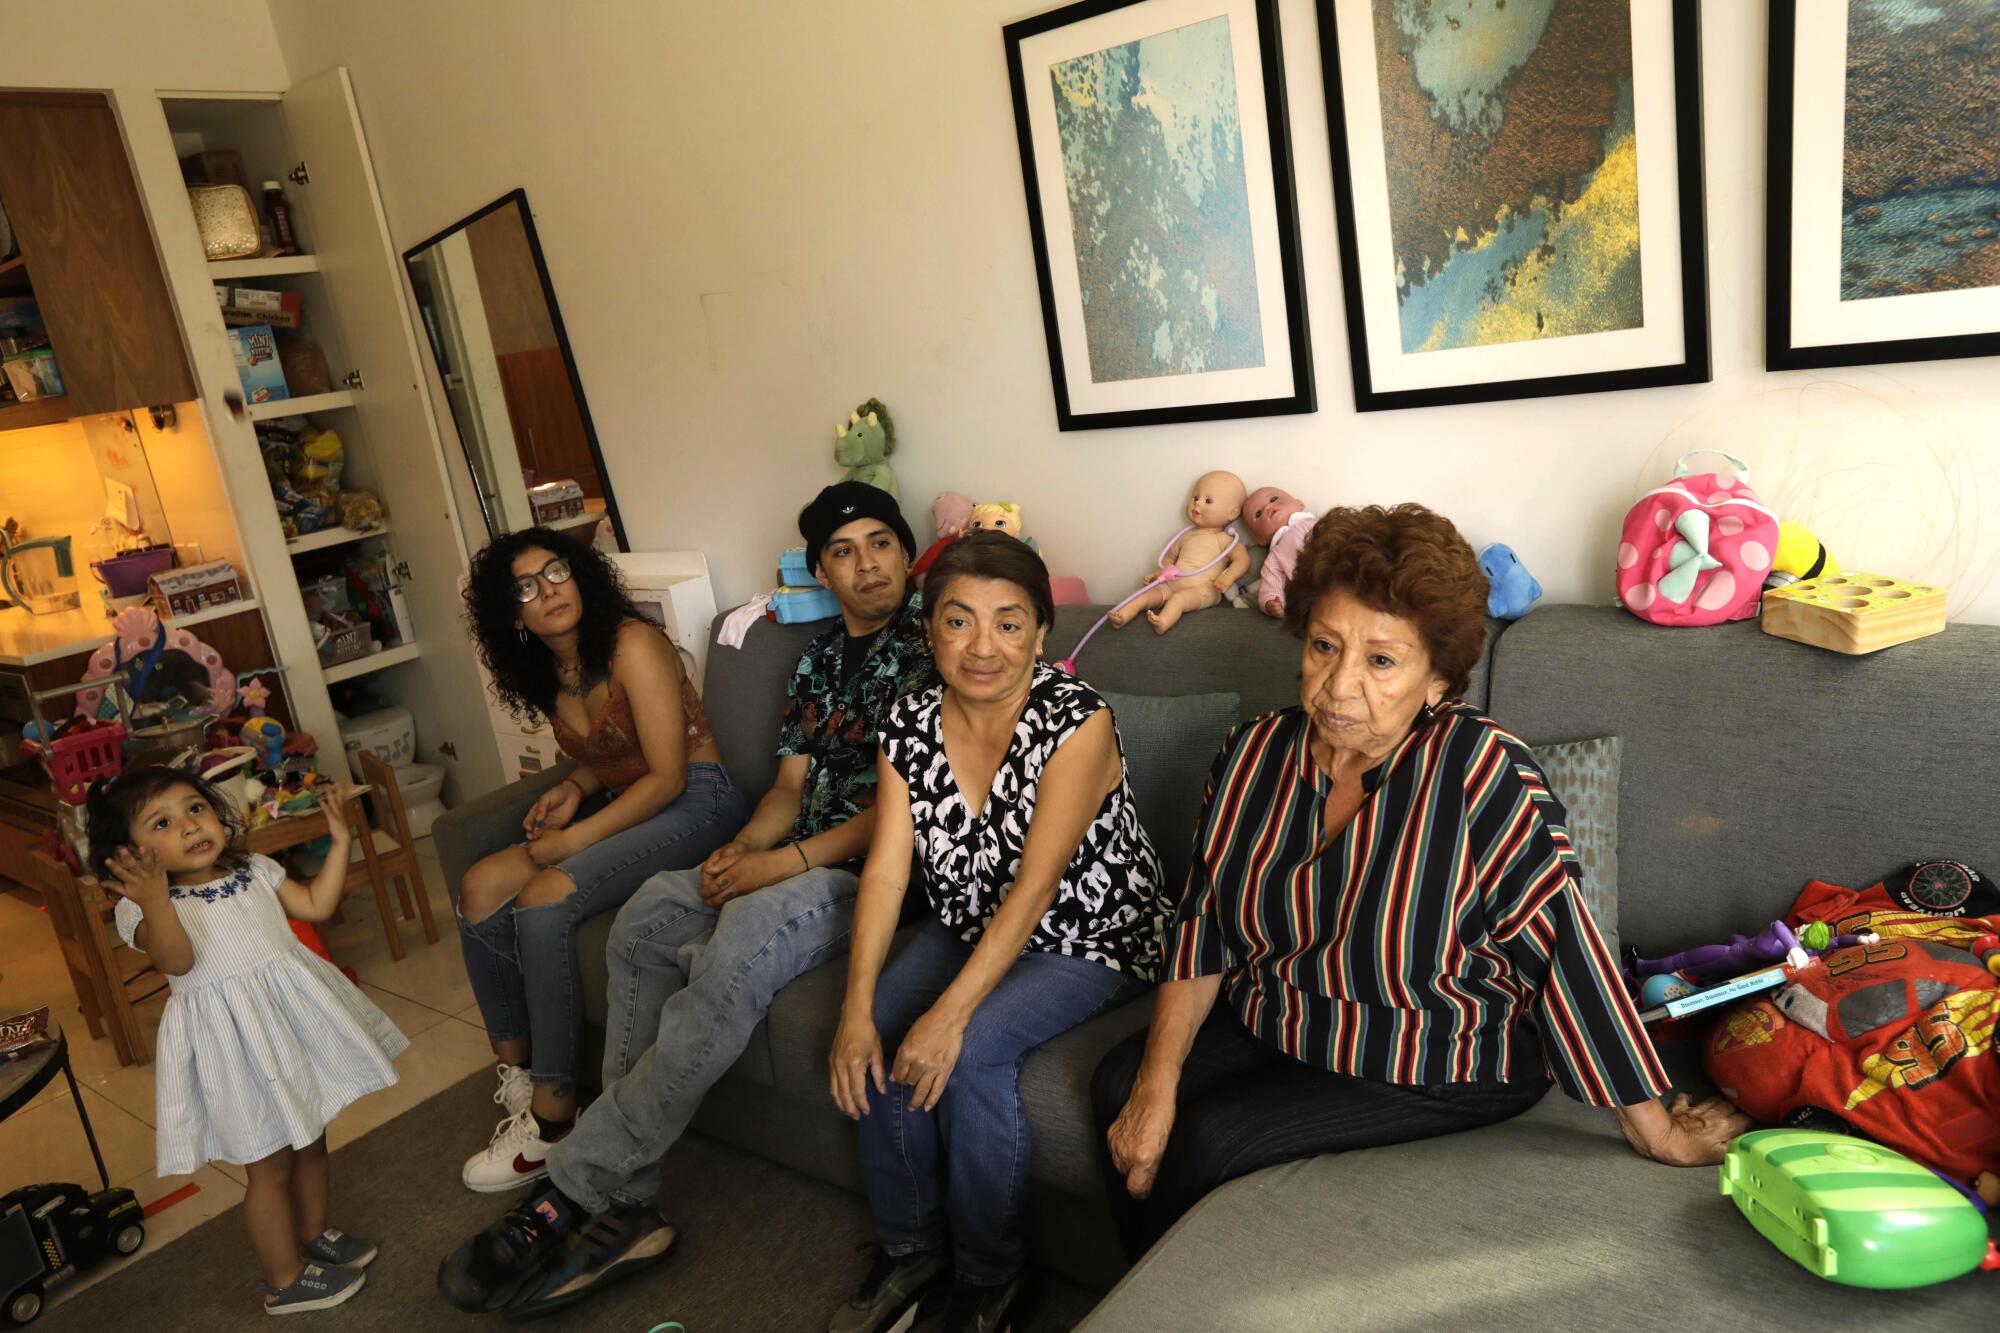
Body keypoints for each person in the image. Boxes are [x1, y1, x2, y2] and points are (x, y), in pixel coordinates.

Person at [1092, 504, 1752, 1260]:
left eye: (1381, 661)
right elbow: (1203, 922)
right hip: (1284, 1016)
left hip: (1437, 1052)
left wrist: (1658, 1128)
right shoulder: (1253, 755)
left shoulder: (1481, 768)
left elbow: (1565, 947)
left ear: (1437, 677)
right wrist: (1157, 1079)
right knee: (1119, 1083)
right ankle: (1131, 1295)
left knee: (1210, 1140)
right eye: (1323, 645)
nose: (1340, 686)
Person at [439, 481, 939, 1320]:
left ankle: (579, 1186)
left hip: (867, 874)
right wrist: (742, 846)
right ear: (822, 569)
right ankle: (629, 1201)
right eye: (844, 552)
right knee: (643, 921)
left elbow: (906, 810)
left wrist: (778, 868)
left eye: (881, 543)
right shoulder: (816, 660)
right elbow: (787, 786)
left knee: (735, 941)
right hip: (784, 851)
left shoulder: (934, 648)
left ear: (907, 550)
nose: (867, 565)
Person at [828, 532, 1170, 1333]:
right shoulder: (908, 721)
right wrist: (853, 1008)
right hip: (970, 917)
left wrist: (950, 1015)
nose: (984, 647)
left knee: (970, 1047)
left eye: (1009, 623)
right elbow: (884, 871)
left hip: (1092, 931)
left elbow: (1037, 888)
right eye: (959, 621)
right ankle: (912, 1244)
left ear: (1042, 633)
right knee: (878, 1026)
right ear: (929, 630)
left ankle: (991, 1276)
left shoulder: (1075, 721)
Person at [454, 526, 747, 1191]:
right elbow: (612, 754)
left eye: (555, 571)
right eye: (525, 586)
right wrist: (571, 785)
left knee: (545, 892)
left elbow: (670, 774)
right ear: (513, 613)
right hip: (633, 799)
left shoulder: (632, 644)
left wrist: (574, 839)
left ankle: (555, 1117)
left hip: (702, 801)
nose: (547, 590)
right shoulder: (543, 670)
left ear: (580, 572)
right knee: (480, 886)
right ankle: (520, 1077)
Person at [93, 765, 404, 1315]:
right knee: (270, 1164)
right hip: (234, 1048)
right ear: (127, 856)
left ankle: (313, 1236)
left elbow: (314, 906)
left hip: (288, 1029)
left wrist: (340, 841)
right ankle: (283, 1280)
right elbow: (176, 959)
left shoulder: (253, 868)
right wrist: (155, 897)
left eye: (196, 808)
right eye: (162, 822)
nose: (190, 826)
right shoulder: (139, 910)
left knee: (312, 1138)